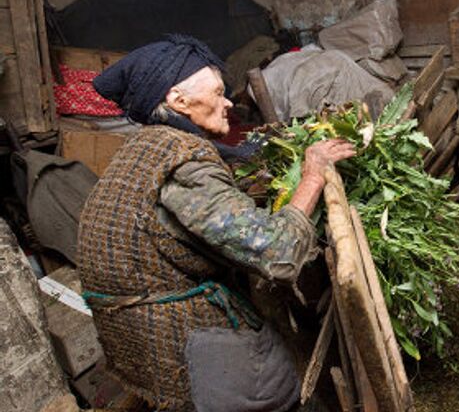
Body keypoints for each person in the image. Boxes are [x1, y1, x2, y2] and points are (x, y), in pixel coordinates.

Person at [78, 35, 355, 411]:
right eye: (219, 92)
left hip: (137, 344)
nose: (228, 103)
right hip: (179, 349)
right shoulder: (185, 167)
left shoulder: (144, 149)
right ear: (179, 101)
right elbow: (279, 251)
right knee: (286, 386)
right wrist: (312, 176)